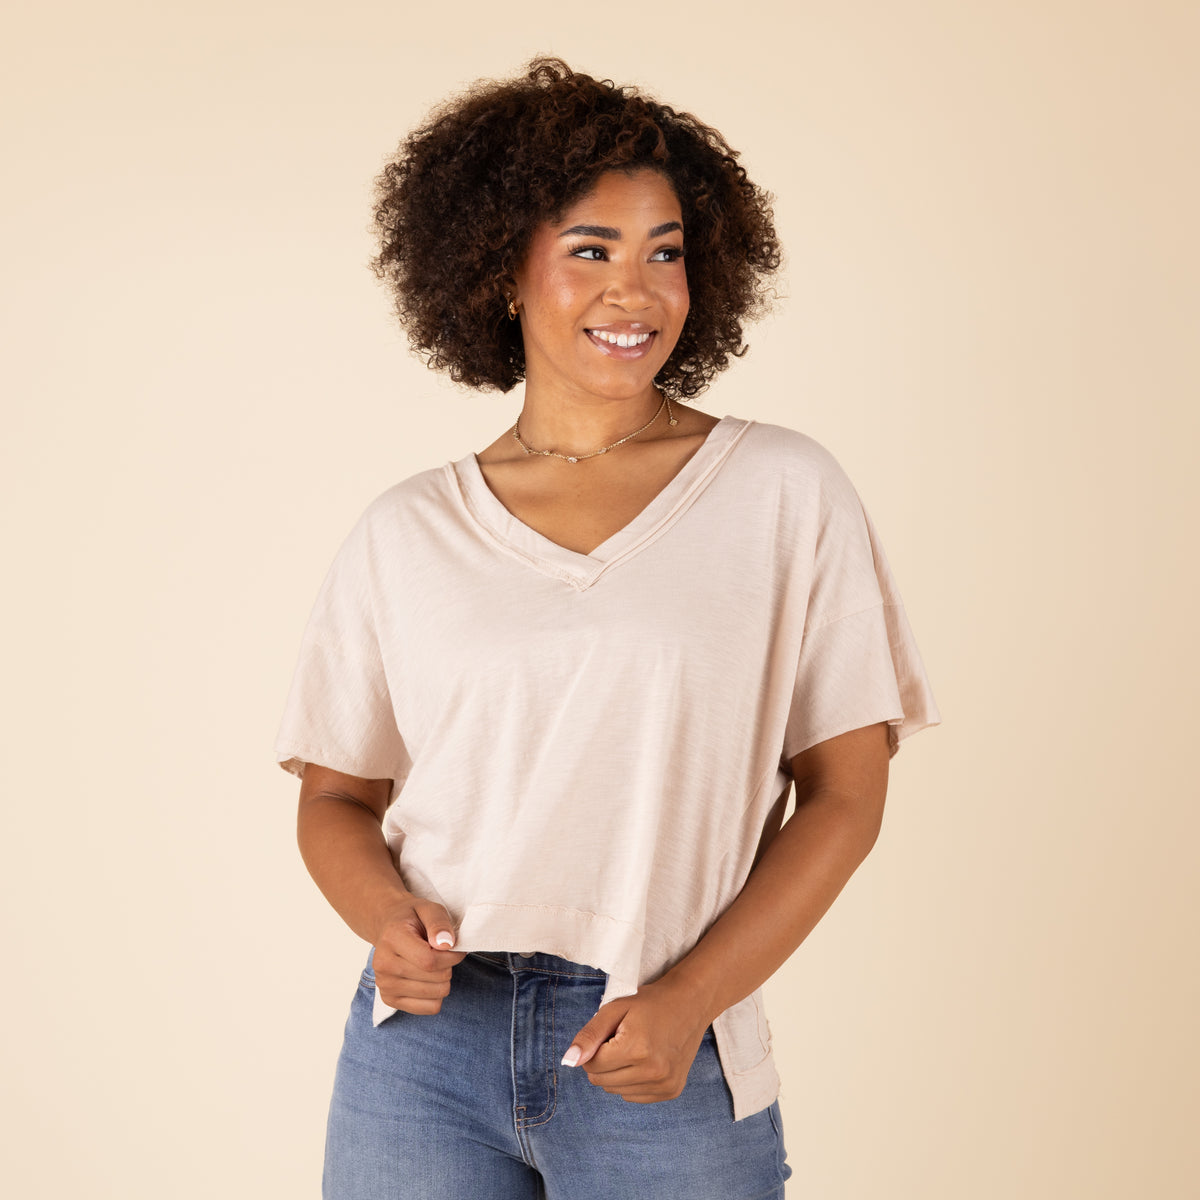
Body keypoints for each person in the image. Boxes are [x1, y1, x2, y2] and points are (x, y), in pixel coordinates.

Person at [275, 57, 938, 1200]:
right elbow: (336, 797)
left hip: (661, 1036)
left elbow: (846, 793)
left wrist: (694, 1001)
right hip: (423, 1054)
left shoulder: (781, 491)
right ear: (500, 273)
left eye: (665, 251)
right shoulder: (408, 529)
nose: (637, 290)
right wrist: (386, 920)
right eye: (593, 250)